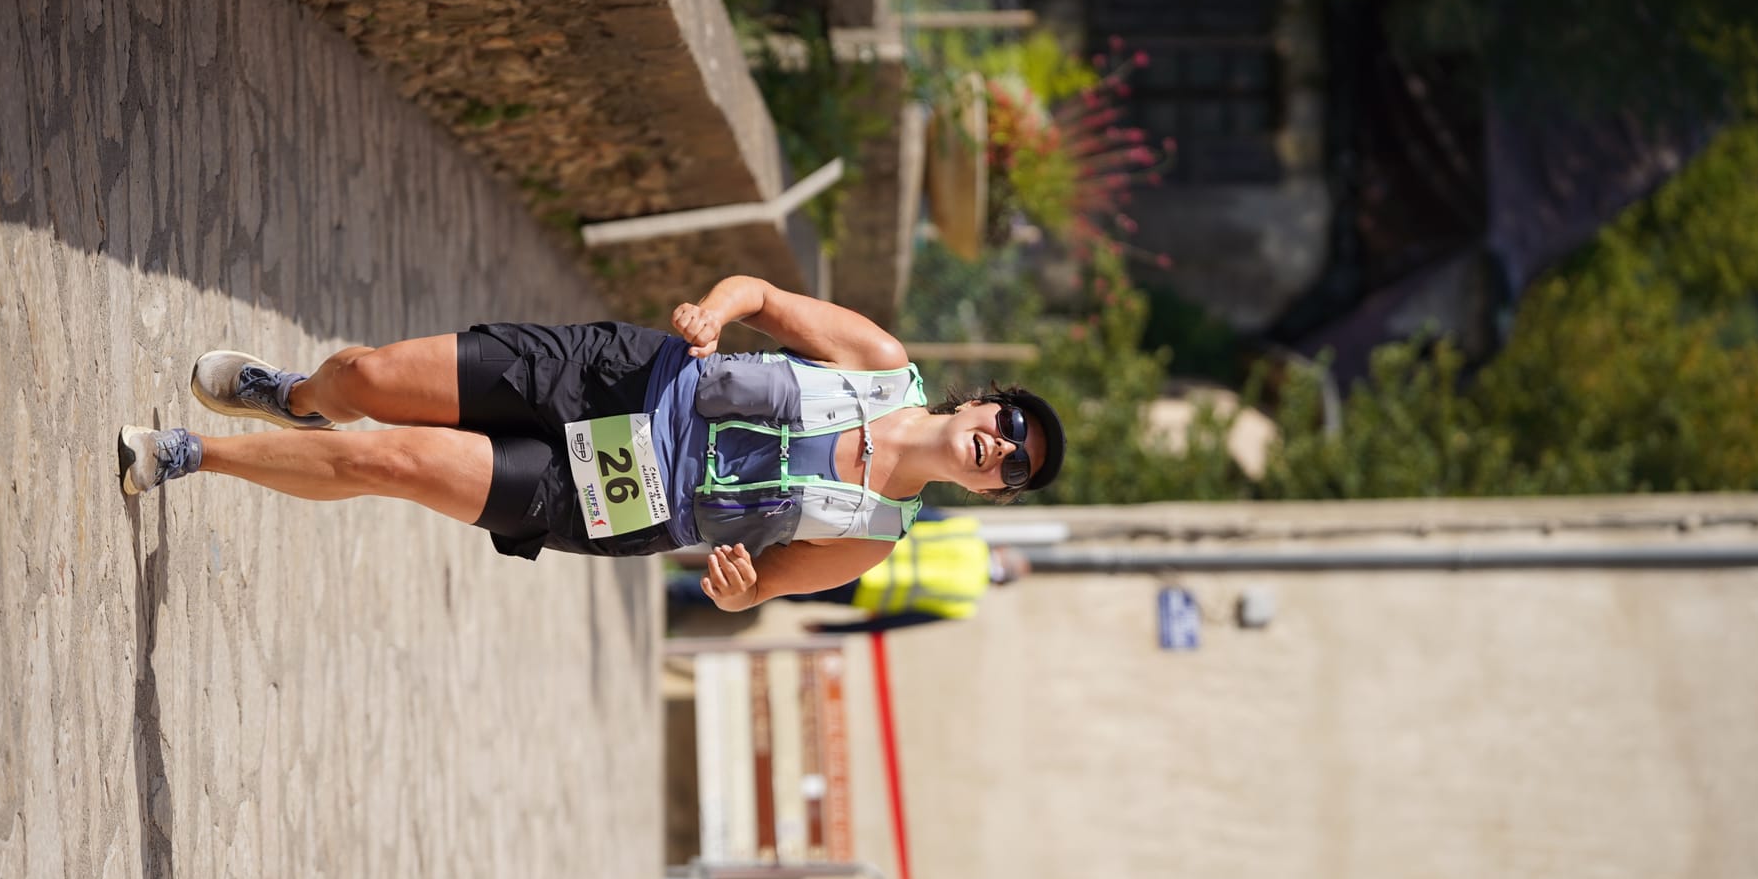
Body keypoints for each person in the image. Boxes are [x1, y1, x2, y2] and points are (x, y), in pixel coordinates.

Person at [116, 275, 1065, 610]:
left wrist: (737, 590)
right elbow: (764, 299)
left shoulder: (869, 534)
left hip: (619, 498)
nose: (1003, 449)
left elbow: (759, 589)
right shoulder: (879, 361)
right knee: (366, 380)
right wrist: (711, 311)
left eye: (1014, 469)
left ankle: (191, 455)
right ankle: (296, 396)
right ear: (986, 405)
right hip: (620, 376)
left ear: (990, 493)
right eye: (1010, 427)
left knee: (393, 461)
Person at [667, 512, 1031, 634]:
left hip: (861, 547)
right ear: (999, 583)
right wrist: (835, 629)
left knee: (777, 547)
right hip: (855, 589)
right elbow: (895, 623)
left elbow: (913, 513)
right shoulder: (965, 603)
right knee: (771, 585)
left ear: (1000, 551)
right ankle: (682, 589)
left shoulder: (967, 529)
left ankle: (690, 543)